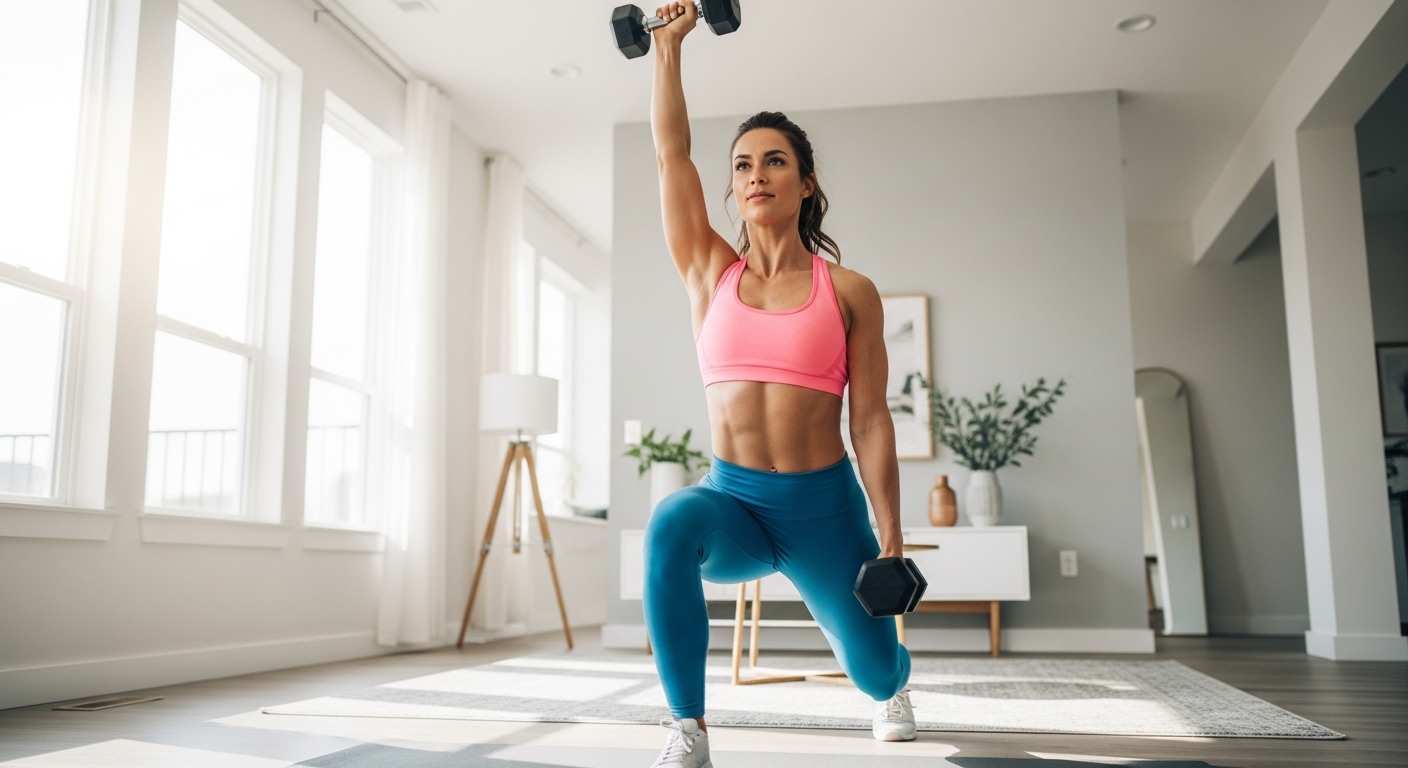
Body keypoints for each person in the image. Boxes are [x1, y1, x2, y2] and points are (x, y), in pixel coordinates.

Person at [641, 4, 915, 767]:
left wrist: (890, 535)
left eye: (773, 161)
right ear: (734, 189)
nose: (755, 174)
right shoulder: (708, 272)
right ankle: (688, 729)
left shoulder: (849, 290)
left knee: (877, 671)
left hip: (823, 511)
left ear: (805, 181)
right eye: (742, 165)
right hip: (732, 503)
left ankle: (892, 682)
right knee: (670, 523)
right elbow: (670, 156)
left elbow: (869, 421)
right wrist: (668, 48)